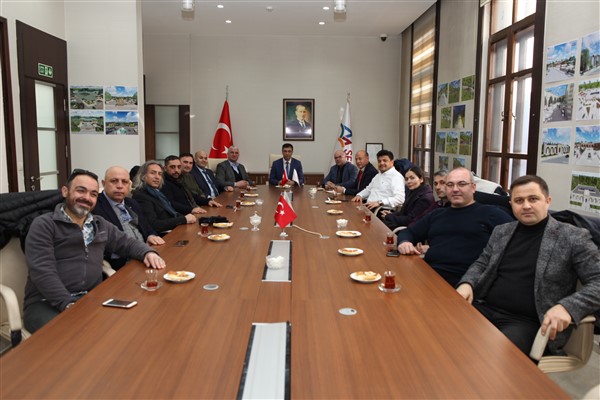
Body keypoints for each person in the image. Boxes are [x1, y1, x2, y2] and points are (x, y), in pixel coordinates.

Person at [456, 175, 600, 356]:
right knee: (440, 332)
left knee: (490, 357)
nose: (526, 206)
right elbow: (482, 262)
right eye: (519, 200)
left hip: (527, 322)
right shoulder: (502, 231)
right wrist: (467, 283)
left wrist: (567, 307)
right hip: (485, 308)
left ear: (547, 201)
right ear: (511, 204)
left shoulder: (573, 237)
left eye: (533, 199)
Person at [24, 169, 166, 333]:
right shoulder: (44, 225)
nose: (87, 198)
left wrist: (148, 252)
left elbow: (127, 243)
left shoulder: (99, 224)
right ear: (65, 191)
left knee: (132, 325)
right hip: (46, 302)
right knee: (72, 337)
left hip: (91, 297)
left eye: (93, 194)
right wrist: (68, 303)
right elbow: (42, 271)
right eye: (81, 191)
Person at [396, 167, 513, 286]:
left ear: (473, 187)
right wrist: (404, 242)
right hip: (429, 276)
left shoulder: (491, 213)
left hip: (466, 283)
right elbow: (408, 232)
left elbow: (516, 239)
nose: (455, 189)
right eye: (450, 185)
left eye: (462, 184)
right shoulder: (437, 214)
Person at [93, 166, 165, 270]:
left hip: (145, 254)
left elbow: (146, 226)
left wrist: (150, 235)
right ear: (103, 183)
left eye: (124, 182)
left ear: (129, 184)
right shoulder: (95, 206)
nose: (120, 186)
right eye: (114, 181)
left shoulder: (131, 202)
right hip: (123, 263)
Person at [133, 160, 197, 234]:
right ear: (143, 176)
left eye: (160, 174)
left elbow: (172, 213)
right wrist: (184, 219)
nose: (157, 177)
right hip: (162, 236)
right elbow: (154, 225)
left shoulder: (157, 192)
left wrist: (187, 217)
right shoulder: (141, 196)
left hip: (173, 230)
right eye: (153, 173)